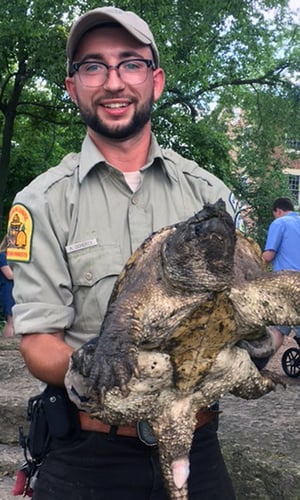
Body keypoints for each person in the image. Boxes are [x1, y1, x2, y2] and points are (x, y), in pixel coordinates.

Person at [6, 6, 276, 500]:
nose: (113, 82)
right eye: (93, 66)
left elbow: (255, 304)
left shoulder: (208, 194)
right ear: (72, 86)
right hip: (89, 459)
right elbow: (37, 342)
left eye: (129, 63)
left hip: (200, 449)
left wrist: (261, 340)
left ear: (155, 80)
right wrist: (115, 376)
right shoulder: (41, 202)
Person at [263, 197, 300, 343]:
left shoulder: (279, 223)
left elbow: (268, 255)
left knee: (278, 328)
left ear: (278, 211)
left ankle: (259, 363)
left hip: (287, 283)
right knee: (281, 326)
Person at [0, 235, 14, 338]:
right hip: (7, 290)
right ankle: (7, 343)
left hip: (14, 290)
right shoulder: (2, 256)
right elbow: (9, 275)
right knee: (10, 320)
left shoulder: (13, 257)